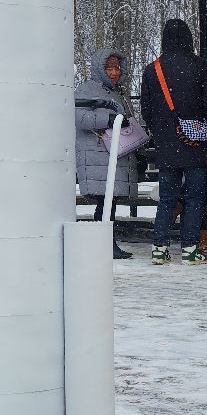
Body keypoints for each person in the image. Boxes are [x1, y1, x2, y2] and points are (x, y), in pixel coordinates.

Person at [140, 17, 207, 265]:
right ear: (188, 38)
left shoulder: (152, 69)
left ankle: (159, 247)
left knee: (167, 198)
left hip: (166, 144)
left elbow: (146, 110)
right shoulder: (200, 66)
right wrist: (205, 129)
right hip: (195, 143)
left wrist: (163, 131)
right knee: (195, 197)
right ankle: (190, 248)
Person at [74, 50, 137, 259]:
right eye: (109, 68)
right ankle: (105, 244)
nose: (114, 73)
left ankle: (105, 243)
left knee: (109, 202)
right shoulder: (87, 89)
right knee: (105, 201)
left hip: (112, 154)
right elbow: (77, 116)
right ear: (99, 69)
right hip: (98, 154)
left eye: (117, 68)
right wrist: (108, 120)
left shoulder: (118, 93)